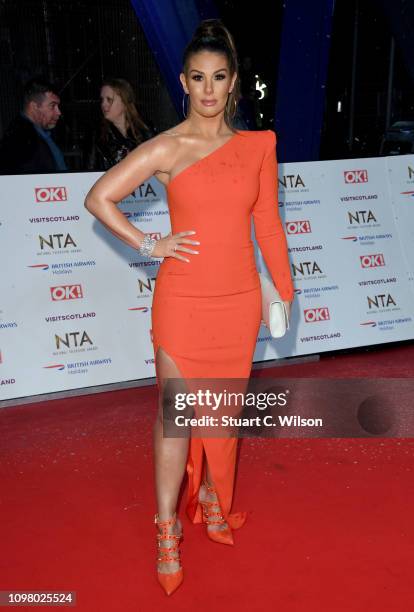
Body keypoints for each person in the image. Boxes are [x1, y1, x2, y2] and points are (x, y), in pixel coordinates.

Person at [84, 19, 294, 596]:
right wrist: (150, 244)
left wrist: (284, 292)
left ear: (232, 85)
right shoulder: (167, 146)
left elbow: (268, 228)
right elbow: (99, 197)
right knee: (177, 415)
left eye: (218, 78)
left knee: (223, 418)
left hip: (238, 303)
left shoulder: (259, 146)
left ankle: (210, 496)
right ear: (183, 81)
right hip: (182, 300)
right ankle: (167, 529)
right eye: (197, 78)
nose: (208, 89)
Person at [0, 78, 66, 174]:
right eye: (52, 106)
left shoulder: (34, 134)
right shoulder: (21, 138)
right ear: (34, 107)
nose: (59, 112)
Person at [86, 78, 154, 171]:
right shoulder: (97, 135)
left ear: (124, 102)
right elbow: (89, 171)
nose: (103, 104)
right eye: (102, 100)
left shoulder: (146, 131)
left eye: (109, 99)